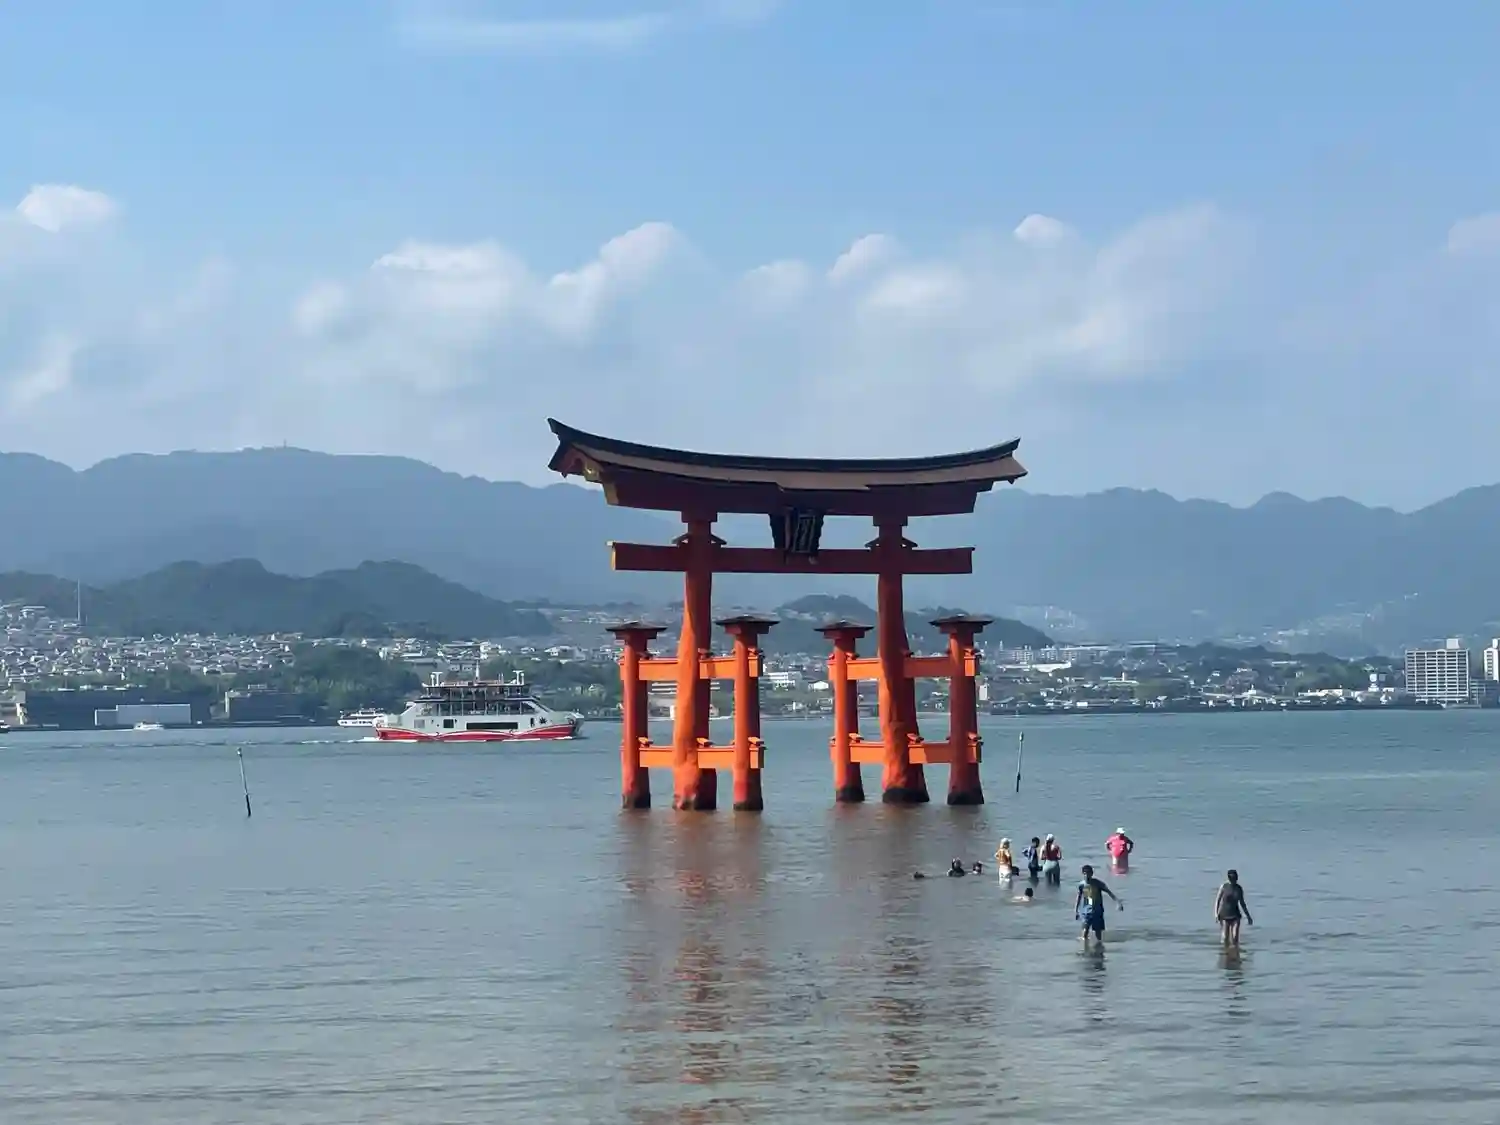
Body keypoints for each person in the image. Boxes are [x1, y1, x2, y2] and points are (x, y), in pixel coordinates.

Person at [1074, 864, 1121, 946]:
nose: (1086, 875)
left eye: (1088, 873)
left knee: (1098, 934)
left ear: (1092, 874)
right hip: (1086, 912)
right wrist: (1076, 910)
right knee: (1084, 932)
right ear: (1082, 874)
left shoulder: (1097, 883)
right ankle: (1085, 948)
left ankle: (1099, 948)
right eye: (1085, 873)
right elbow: (1078, 897)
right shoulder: (1081, 885)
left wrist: (1118, 902)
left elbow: (1109, 892)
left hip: (1097, 911)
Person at [1214, 869, 1253, 946]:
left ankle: (1235, 950)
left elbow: (1242, 903)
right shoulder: (1224, 886)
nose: (1234, 880)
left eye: (1235, 879)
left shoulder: (1238, 888)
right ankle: (1225, 951)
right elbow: (1217, 900)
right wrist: (1216, 913)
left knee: (1235, 937)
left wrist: (1248, 916)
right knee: (1225, 937)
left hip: (1235, 914)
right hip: (1224, 914)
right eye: (1232, 879)